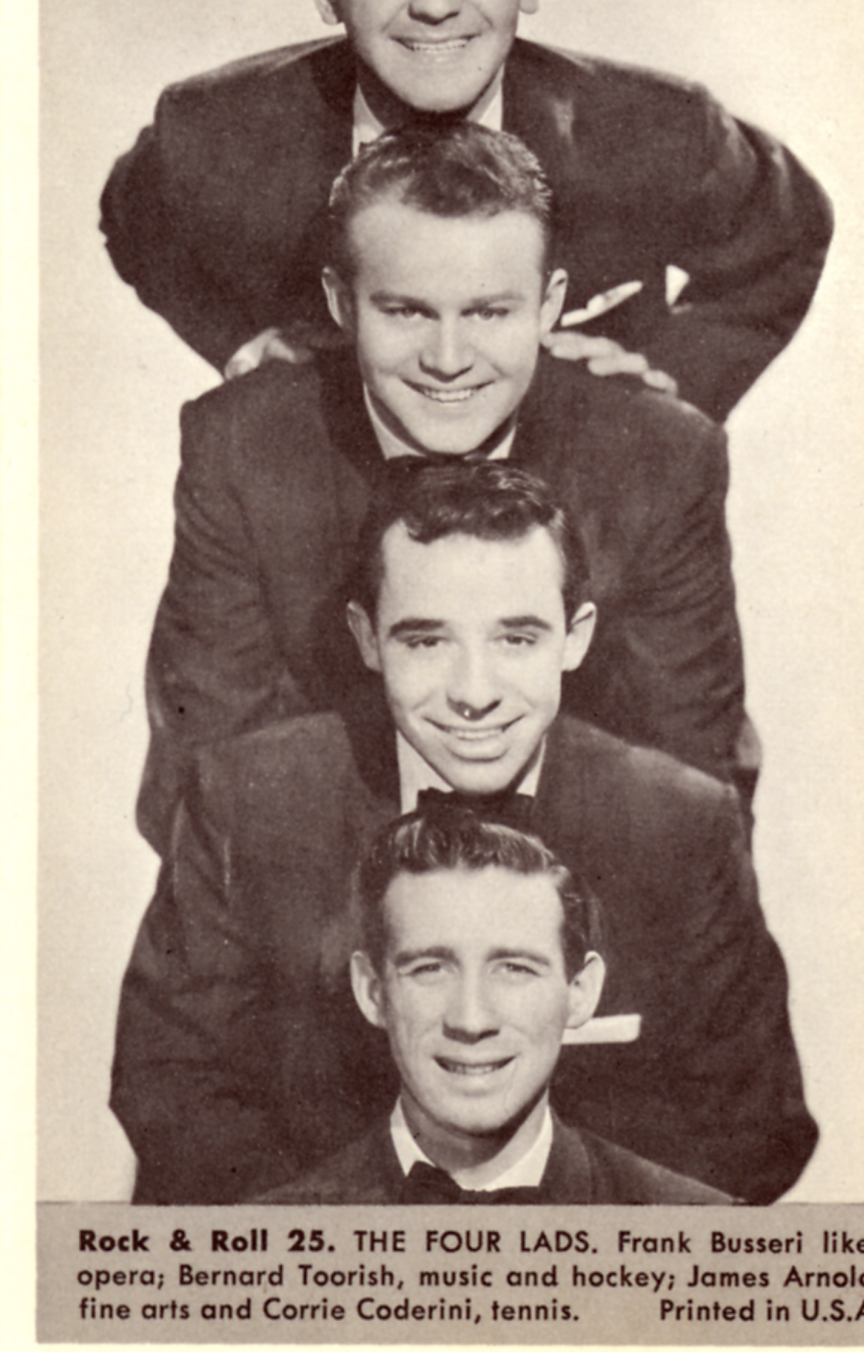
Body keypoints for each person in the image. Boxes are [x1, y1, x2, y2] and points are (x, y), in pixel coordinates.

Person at [111, 460, 816, 1206]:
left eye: (516, 639)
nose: (473, 693)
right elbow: (170, 1087)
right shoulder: (246, 801)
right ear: (367, 637)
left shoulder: (681, 823)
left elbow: (751, 1129)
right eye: (425, 641)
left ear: (574, 637)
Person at [136, 122, 749, 858]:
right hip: (324, 889)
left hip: (575, 889)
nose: (449, 360)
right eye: (406, 311)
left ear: (549, 304)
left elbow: (688, 803)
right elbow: (205, 785)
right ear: (341, 303)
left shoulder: (660, 457)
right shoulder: (243, 444)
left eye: (489, 312)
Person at [100, 0, 833, 423]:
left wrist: (666, 384)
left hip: (574, 499)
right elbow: (136, 219)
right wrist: (239, 340)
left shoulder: (654, 129)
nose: (436, 2)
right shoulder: (216, 128)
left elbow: (789, 234)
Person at [261, 805, 733, 1205]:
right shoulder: (263, 1237)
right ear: (372, 992)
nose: (472, 1020)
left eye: (514, 969)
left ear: (580, 990)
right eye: (430, 968)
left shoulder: (707, 1228)